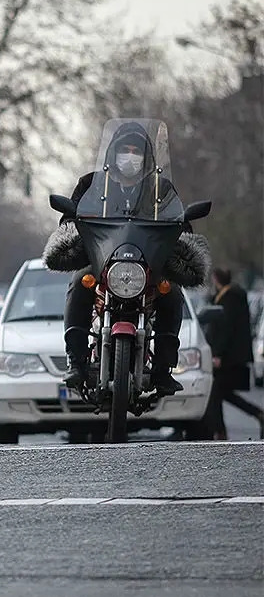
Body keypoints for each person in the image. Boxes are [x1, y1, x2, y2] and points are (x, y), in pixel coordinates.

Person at [43, 121, 208, 395]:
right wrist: (72, 224)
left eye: (136, 151)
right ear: (113, 153)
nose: (130, 156)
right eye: (125, 150)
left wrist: (182, 228)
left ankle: (163, 369)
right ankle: (76, 362)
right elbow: (70, 220)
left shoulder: (161, 188)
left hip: (149, 265)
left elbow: (179, 224)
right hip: (102, 263)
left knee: (171, 292)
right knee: (80, 283)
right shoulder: (91, 184)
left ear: (147, 157)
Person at [205, 268, 264, 439]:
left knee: (216, 391)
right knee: (220, 392)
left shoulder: (229, 298)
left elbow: (226, 328)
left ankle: (220, 430)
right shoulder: (230, 296)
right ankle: (222, 428)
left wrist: (218, 354)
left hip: (229, 356)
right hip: (231, 355)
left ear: (216, 279)